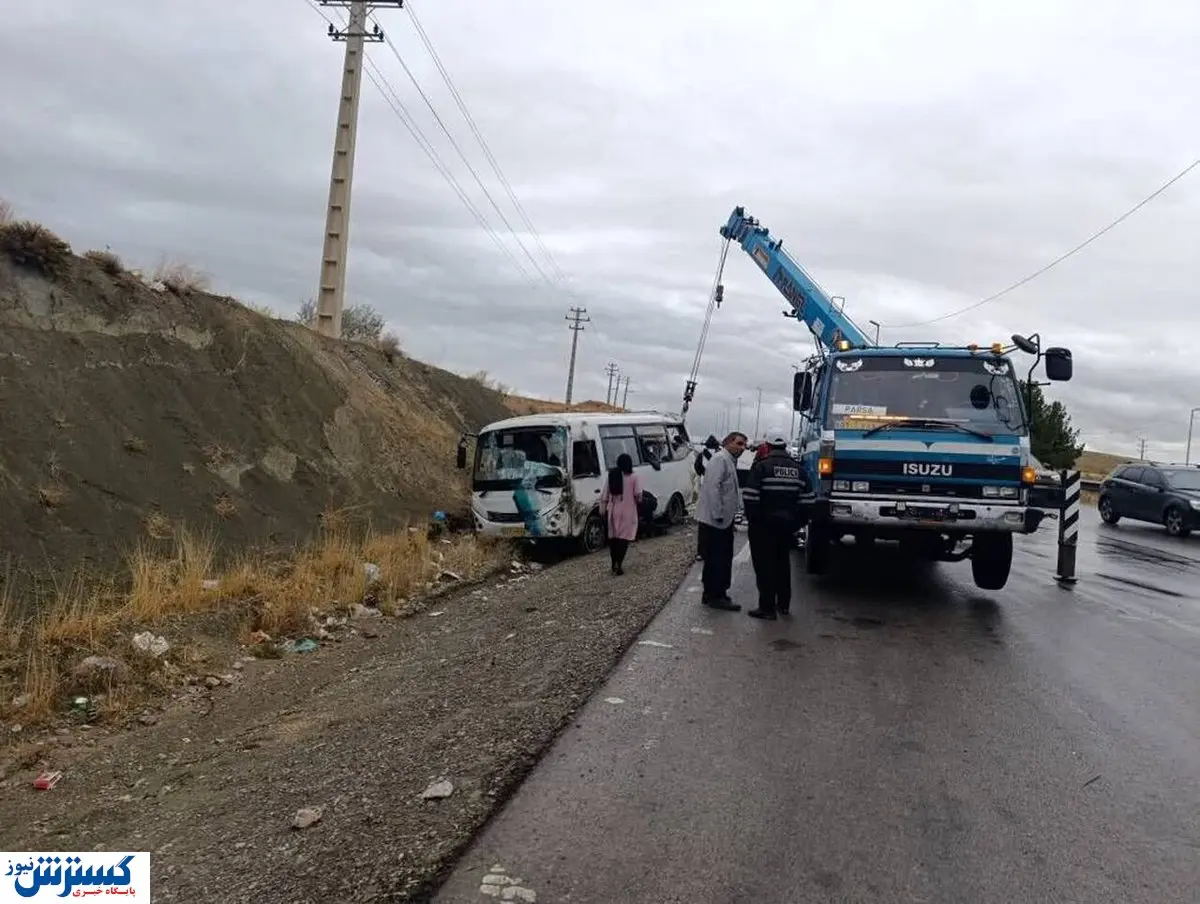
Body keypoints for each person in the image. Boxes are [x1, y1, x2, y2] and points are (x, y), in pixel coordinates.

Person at [742, 434, 810, 620]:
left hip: (764, 527)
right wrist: (796, 524)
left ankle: (767, 608)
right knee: (782, 564)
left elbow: (750, 497)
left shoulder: (762, 467)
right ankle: (783, 605)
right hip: (787, 527)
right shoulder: (799, 470)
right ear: (785, 446)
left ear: (768, 446)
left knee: (764, 567)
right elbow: (808, 502)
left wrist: (755, 522)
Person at [695, 431, 748, 609]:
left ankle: (712, 593)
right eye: (739, 444)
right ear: (728, 442)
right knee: (717, 558)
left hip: (722, 519)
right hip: (715, 521)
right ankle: (716, 595)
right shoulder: (720, 460)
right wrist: (718, 514)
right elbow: (712, 488)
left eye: (744, 445)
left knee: (718, 558)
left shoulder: (729, 461)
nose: (742, 449)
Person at [600, 452, 642, 575]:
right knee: (624, 539)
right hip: (628, 511)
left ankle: (613, 563)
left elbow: (605, 494)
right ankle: (619, 563)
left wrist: (603, 508)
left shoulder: (612, 475)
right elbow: (638, 496)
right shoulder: (634, 477)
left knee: (614, 538)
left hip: (613, 510)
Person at [692, 435, 721, 561]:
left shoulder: (701, 455)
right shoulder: (720, 456)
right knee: (717, 520)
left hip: (704, 487)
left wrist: (703, 475)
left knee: (703, 522)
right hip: (718, 489)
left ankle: (701, 552)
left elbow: (697, 468)